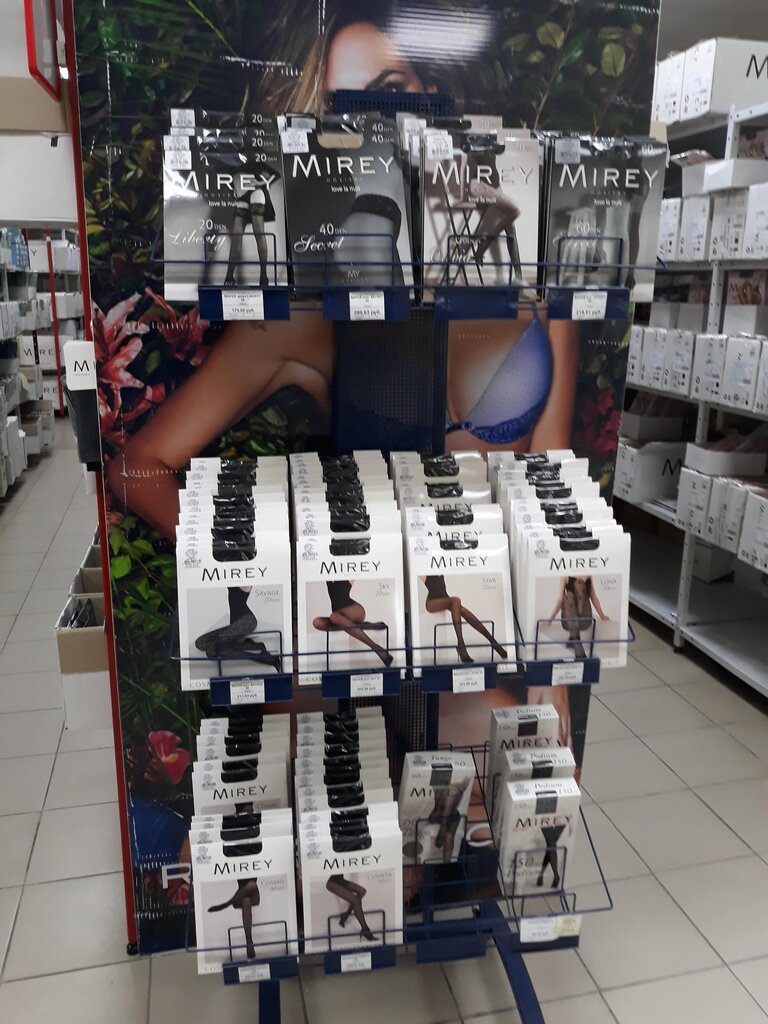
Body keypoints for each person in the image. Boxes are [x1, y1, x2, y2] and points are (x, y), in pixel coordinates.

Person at [107, 9, 579, 533]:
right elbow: (135, 469)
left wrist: (564, 559)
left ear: (432, 93)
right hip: (374, 575)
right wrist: (263, 564)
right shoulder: (303, 319)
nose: (376, 126)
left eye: (391, 92)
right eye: (343, 112)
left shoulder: (531, 259)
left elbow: (550, 467)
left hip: (502, 573)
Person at [422, 575, 508, 663]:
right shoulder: (424, 572)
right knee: (456, 600)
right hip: (431, 603)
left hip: (446, 600)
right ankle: (461, 644)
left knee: (461, 608)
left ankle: (493, 643)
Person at [312, 580, 393, 667]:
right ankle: (361, 625)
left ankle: (376, 647)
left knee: (334, 617)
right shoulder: (327, 575)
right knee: (317, 622)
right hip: (339, 617)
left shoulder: (346, 575)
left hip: (354, 610)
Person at [549, 576, 609, 660]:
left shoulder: (588, 574)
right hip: (569, 619)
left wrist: (602, 616)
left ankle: (574, 638)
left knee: (579, 584)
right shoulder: (565, 576)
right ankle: (577, 642)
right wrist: (549, 621)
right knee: (568, 596)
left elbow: (593, 597)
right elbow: (560, 600)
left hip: (584, 619)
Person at [208, 878, 261, 959]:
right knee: (246, 900)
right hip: (240, 897)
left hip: (253, 895)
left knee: (252, 884)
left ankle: (227, 903)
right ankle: (249, 941)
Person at [326, 874, 377, 941]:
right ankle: (365, 930)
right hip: (332, 883)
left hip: (340, 881)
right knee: (356, 901)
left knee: (362, 891)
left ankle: (345, 915)